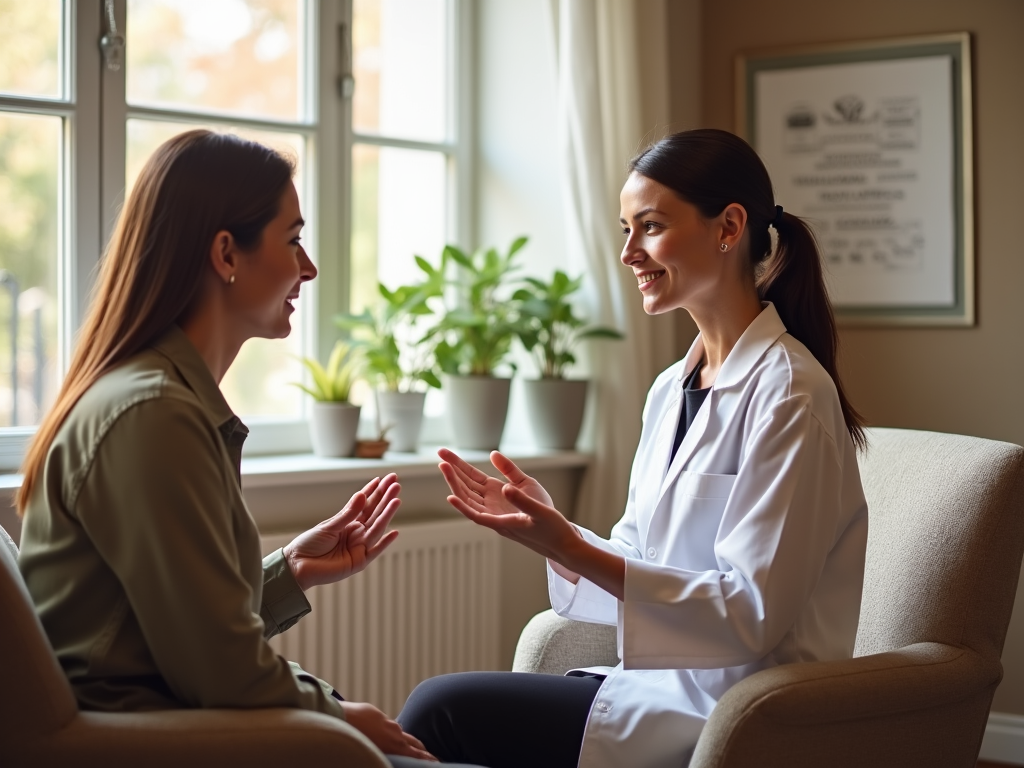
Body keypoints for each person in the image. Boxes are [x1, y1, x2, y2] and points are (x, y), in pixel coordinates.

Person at [397, 128, 870, 768]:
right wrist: (556, 536)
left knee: (438, 711)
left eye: (649, 226)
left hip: (734, 711)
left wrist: (566, 544)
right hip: (650, 690)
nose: (628, 253)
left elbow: (752, 614)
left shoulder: (789, 395)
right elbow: (640, 556)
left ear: (728, 227)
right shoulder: (670, 390)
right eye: (626, 229)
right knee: (431, 721)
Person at [16, 130, 479, 768]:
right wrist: (342, 718)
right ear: (227, 253)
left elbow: (161, 626)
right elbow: (220, 671)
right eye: (293, 240)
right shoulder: (153, 415)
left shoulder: (158, 399)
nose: (308, 267)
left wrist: (290, 571)